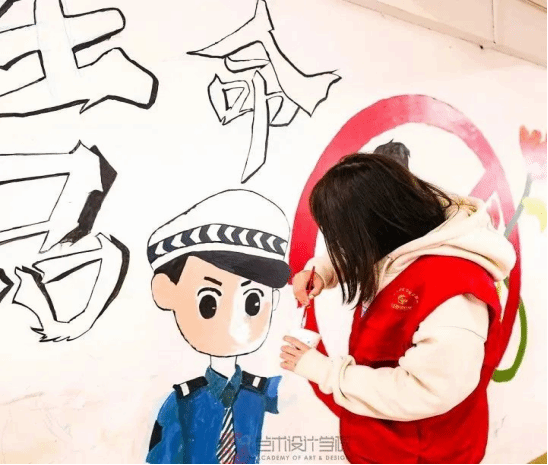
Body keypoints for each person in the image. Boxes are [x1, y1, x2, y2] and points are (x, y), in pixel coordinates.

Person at [281, 153, 516, 464]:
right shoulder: (412, 236)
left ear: (373, 227)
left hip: (424, 455)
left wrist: (324, 371)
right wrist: (324, 271)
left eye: (344, 236)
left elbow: (426, 391)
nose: (343, 245)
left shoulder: (454, 297)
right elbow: (380, 255)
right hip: (385, 443)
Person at [147, 189, 291, 465]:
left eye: (252, 302)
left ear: (272, 300)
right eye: (208, 302)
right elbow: (161, 458)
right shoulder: (182, 402)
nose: (234, 322)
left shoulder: (265, 395)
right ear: (167, 292)